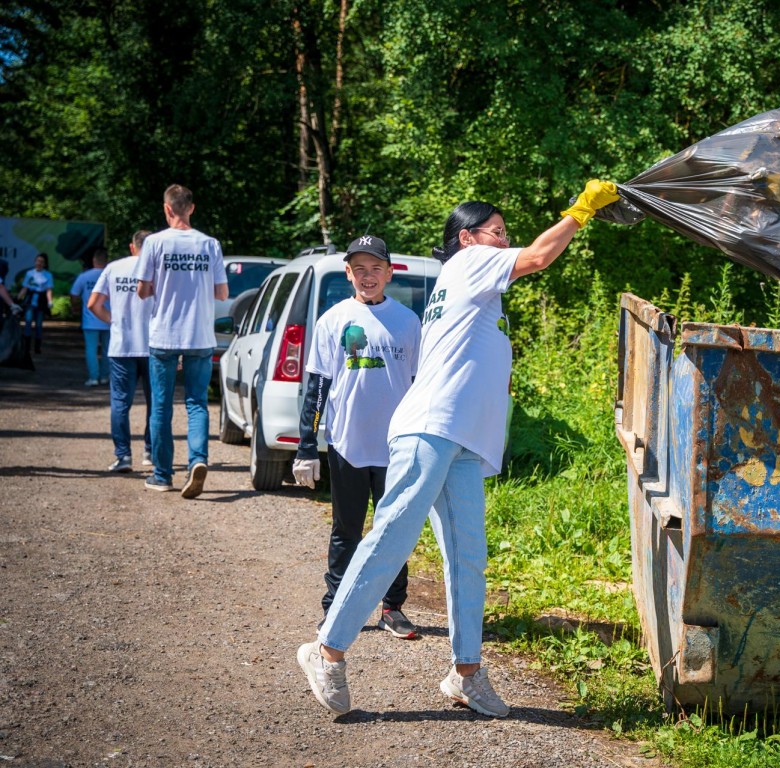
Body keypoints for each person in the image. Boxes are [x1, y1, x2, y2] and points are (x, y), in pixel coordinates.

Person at [296, 179, 619, 718]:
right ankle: (326, 649)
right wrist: (581, 211)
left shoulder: (473, 285)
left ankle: (465, 672)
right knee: (394, 532)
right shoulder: (469, 265)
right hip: (432, 426)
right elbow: (539, 257)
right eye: (498, 232)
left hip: (463, 438)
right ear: (468, 239)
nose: (506, 240)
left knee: (468, 556)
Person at [292, 235, 423, 640]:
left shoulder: (408, 322)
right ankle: (334, 608)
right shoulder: (333, 320)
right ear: (348, 273)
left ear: (389, 272)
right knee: (345, 530)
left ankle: (392, 607)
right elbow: (316, 387)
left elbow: (421, 387)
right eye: (359, 269)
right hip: (347, 445)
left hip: (397, 447)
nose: (368, 277)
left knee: (394, 530)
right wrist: (306, 446)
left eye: (375, 269)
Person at [135, 184, 227, 498]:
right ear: (192, 208)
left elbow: (143, 290)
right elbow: (222, 293)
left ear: (167, 209)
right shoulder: (210, 244)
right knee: (197, 403)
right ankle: (197, 461)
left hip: (164, 335)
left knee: (160, 407)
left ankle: (162, 475)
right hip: (200, 334)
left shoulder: (155, 243)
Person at [88, 230, 154, 472]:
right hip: (153, 346)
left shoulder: (114, 268)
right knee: (155, 402)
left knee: (120, 403)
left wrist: (113, 321)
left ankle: (123, 456)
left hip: (121, 346)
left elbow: (93, 304)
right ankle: (151, 451)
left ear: (131, 246)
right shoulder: (158, 269)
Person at [71, 248, 111, 386]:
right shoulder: (111, 275)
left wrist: (75, 308)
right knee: (108, 350)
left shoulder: (84, 276)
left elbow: (74, 294)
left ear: (94, 260)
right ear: (106, 261)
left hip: (90, 319)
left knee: (91, 350)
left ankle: (93, 377)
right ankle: (105, 376)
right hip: (108, 319)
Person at [17, 253, 54, 354]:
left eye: (41, 262)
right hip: (30, 299)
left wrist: (50, 301)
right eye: (37, 261)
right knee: (28, 322)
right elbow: (24, 288)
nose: (39, 263)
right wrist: (17, 299)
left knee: (38, 324)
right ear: (35, 262)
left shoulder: (48, 275)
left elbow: (49, 290)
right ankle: (27, 346)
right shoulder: (29, 273)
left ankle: (37, 347)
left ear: (45, 264)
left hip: (41, 300)